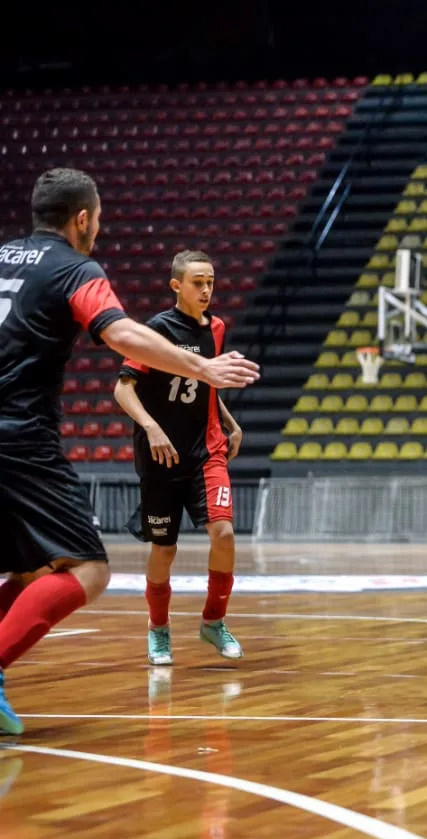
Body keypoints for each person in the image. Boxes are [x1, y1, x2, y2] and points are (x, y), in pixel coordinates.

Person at [0, 168, 259, 734]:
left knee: (29, 570)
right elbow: (118, 334)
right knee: (87, 570)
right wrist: (201, 366)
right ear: (83, 219)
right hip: (18, 436)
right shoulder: (74, 267)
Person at [115, 250, 244, 667]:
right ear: (176, 285)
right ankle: (158, 631)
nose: (206, 290)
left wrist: (229, 420)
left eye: (210, 282)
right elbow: (123, 389)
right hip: (160, 456)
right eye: (197, 282)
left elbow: (207, 382)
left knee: (223, 534)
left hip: (206, 450)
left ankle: (213, 621)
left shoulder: (218, 328)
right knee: (164, 550)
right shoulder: (156, 331)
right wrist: (151, 427)